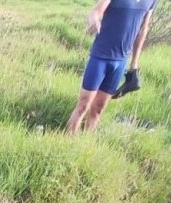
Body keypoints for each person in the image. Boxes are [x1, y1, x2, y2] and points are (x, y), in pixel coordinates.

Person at [66, 0, 156, 135]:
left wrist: (134, 63)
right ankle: (69, 142)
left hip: (120, 61)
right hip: (100, 57)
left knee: (98, 108)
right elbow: (96, 11)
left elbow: (143, 29)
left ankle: (86, 142)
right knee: (83, 105)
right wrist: (94, 20)